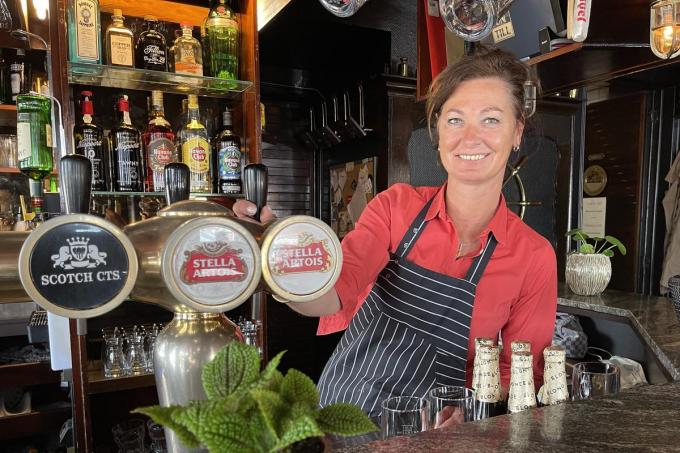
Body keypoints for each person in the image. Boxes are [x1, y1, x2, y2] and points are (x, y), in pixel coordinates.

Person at [233, 46, 557, 419]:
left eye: (490, 119)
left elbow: (518, 370)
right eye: (454, 119)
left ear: (517, 131)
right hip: (344, 414)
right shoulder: (396, 207)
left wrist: (468, 410)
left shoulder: (533, 256)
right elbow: (333, 291)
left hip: (437, 432)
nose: (470, 137)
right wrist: (276, 257)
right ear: (437, 130)